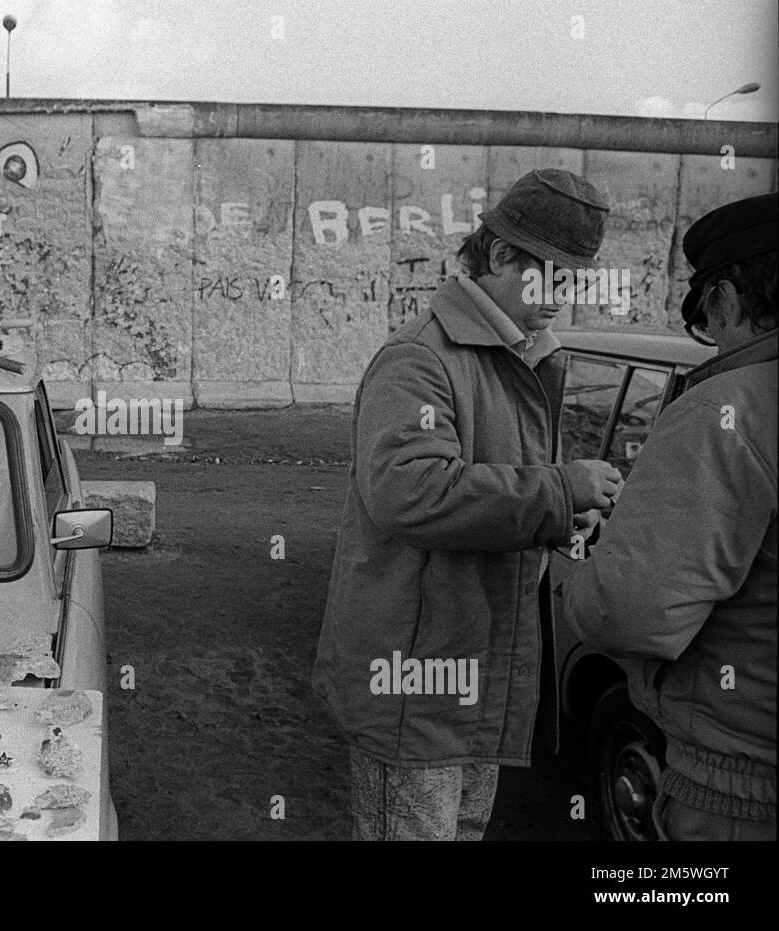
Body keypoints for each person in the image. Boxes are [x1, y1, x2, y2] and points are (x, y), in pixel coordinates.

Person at [311, 168, 622, 840]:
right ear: (502, 254)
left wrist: (567, 518)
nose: (560, 299)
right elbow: (409, 493)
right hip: (415, 687)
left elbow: (509, 502)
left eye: (573, 282)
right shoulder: (422, 358)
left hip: (484, 677)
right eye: (552, 277)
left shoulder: (525, 358)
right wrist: (560, 490)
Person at [562, 192, 777, 841]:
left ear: (728, 299)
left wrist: (593, 561)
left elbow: (624, 609)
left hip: (739, 781)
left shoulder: (725, 413)